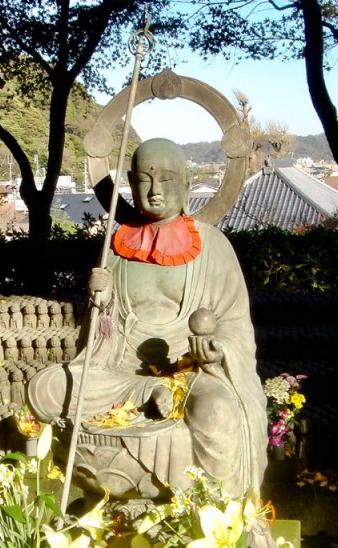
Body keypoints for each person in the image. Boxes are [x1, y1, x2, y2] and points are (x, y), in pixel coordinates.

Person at [27, 138, 267, 499]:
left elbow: (236, 326)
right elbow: (98, 344)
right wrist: (100, 304)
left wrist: (216, 351)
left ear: (186, 183)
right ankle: (149, 392)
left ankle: (223, 518)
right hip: (122, 374)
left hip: (191, 373)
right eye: (143, 180)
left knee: (218, 411)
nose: (154, 192)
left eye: (167, 180)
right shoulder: (117, 244)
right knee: (45, 387)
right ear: (128, 181)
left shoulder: (213, 247)